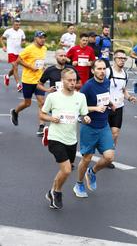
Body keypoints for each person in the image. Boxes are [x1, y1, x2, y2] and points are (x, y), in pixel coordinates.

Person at [40, 68, 90, 209]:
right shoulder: (53, 97)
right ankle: (57, 192)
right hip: (55, 138)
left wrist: (86, 118)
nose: (73, 83)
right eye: (70, 80)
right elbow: (42, 115)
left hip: (71, 140)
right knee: (67, 170)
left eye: (75, 80)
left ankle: (51, 192)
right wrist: (51, 118)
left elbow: (83, 115)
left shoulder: (81, 98)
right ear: (63, 81)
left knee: (64, 170)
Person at [73, 59, 115, 198]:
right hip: (89, 127)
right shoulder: (88, 87)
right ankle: (79, 183)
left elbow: (104, 98)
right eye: (99, 69)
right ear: (93, 70)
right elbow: (78, 106)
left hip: (103, 125)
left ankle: (92, 172)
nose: (102, 72)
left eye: (104, 69)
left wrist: (110, 103)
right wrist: (95, 108)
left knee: (109, 157)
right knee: (87, 158)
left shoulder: (107, 82)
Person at [10, 31, 47, 136]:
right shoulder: (29, 49)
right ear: (35, 38)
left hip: (39, 80)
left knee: (42, 102)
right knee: (27, 103)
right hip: (28, 80)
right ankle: (15, 112)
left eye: (44, 38)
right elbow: (18, 61)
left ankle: (41, 126)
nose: (43, 40)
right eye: (40, 38)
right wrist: (31, 67)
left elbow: (40, 61)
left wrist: (43, 68)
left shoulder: (44, 49)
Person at [107, 50, 136, 168]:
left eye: (124, 59)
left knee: (115, 134)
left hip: (118, 107)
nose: (122, 60)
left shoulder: (125, 74)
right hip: (105, 107)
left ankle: (109, 158)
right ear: (114, 58)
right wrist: (108, 103)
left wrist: (129, 98)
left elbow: (123, 90)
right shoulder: (108, 71)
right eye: (120, 58)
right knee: (100, 133)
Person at [0, 18, 25, 91]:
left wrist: (23, 43)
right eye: (16, 25)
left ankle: (7, 76)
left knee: (14, 67)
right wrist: (4, 46)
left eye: (19, 25)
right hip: (11, 51)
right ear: (13, 25)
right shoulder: (8, 31)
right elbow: (1, 38)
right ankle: (18, 85)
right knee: (15, 67)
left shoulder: (21, 31)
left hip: (18, 52)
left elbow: (23, 40)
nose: (18, 26)